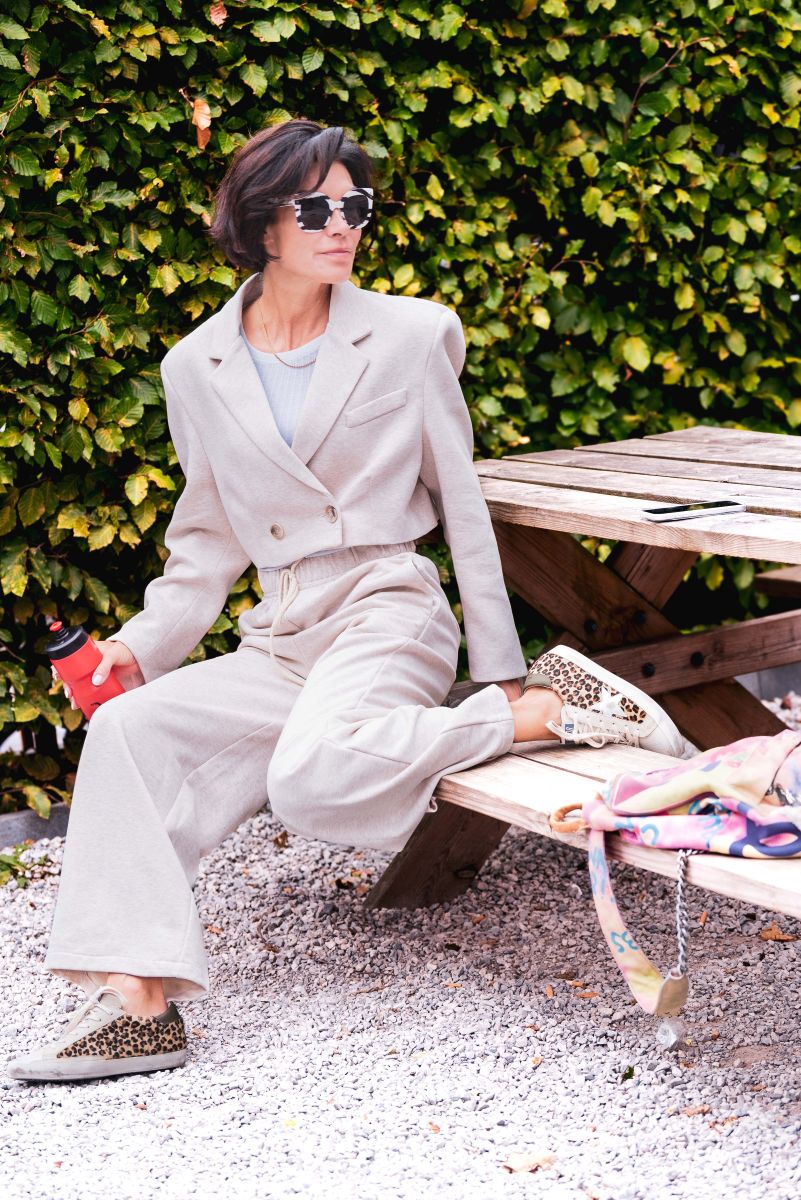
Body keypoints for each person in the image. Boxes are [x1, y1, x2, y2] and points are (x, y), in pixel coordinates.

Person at [6, 120, 684, 1083]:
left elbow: (461, 505)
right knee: (129, 733)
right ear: (257, 224)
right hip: (281, 631)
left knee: (313, 776)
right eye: (314, 207)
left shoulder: (410, 335)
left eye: (354, 206)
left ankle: (532, 709)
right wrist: (143, 646)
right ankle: (137, 1003)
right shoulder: (194, 367)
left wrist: (497, 667)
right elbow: (205, 537)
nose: (342, 226)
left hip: (384, 605)